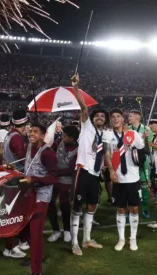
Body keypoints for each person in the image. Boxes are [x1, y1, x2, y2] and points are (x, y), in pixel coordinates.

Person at [69, 73, 115, 256]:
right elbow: (83, 107)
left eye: (103, 117)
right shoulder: (86, 126)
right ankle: (74, 243)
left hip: (95, 175)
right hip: (83, 170)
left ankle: (87, 239)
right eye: (98, 116)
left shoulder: (106, 135)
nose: (100, 118)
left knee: (91, 206)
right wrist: (76, 87)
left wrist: (108, 168)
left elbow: (107, 153)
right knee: (77, 207)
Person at [21, 123, 59, 275]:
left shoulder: (47, 153)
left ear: (43, 136)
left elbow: (54, 177)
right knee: (22, 229)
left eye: (35, 132)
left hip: (41, 197)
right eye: (30, 131)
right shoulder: (29, 146)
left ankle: (36, 271)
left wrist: (34, 179)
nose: (31, 134)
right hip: (28, 194)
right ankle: (39, 255)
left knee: (35, 234)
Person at [109, 109, 144, 251]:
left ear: (123, 119)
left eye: (118, 116)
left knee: (134, 208)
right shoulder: (108, 135)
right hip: (118, 178)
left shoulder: (132, 134)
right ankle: (121, 239)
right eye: (113, 117)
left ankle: (133, 238)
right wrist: (111, 171)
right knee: (121, 209)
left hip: (133, 177)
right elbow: (107, 154)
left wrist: (145, 138)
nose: (116, 119)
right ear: (111, 120)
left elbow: (143, 150)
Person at [2, 110, 30, 251]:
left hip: (10, 175)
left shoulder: (10, 134)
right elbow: (23, 157)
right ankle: (20, 241)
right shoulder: (17, 138)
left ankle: (14, 241)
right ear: (25, 124)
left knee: (12, 210)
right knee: (19, 211)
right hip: (17, 177)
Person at [47, 126, 79, 243]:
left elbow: (71, 169)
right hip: (55, 179)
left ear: (72, 139)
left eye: (65, 136)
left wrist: (56, 171)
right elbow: (51, 151)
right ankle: (56, 230)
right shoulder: (59, 142)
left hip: (67, 181)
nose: (62, 137)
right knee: (50, 202)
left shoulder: (78, 150)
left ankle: (66, 230)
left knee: (64, 205)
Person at [128, 110, 153, 219]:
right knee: (131, 187)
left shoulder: (147, 130)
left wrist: (146, 138)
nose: (128, 117)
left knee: (144, 186)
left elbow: (148, 150)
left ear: (137, 117)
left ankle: (145, 207)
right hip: (131, 162)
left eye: (130, 116)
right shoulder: (127, 129)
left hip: (144, 162)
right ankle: (132, 210)